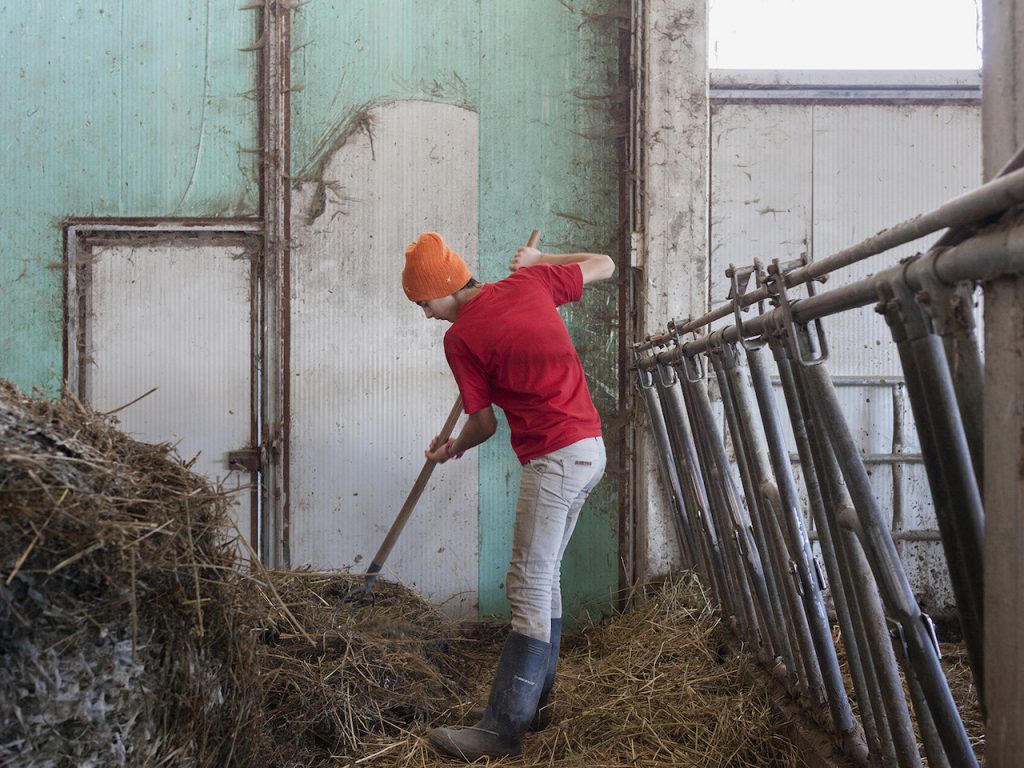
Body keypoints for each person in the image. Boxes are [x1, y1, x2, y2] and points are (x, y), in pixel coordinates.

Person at [400, 231, 614, 761]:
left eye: (424, 303)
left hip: (554, 456)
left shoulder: (460, 339)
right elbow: (605, 263)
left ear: (445, 288)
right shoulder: (531, 282)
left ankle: (502, 731)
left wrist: (451, 449)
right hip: (589, 448)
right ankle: (532, 706)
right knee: (544, 577)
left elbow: (483, 422)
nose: (427, 315)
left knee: (526, 582)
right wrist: (546, 259)